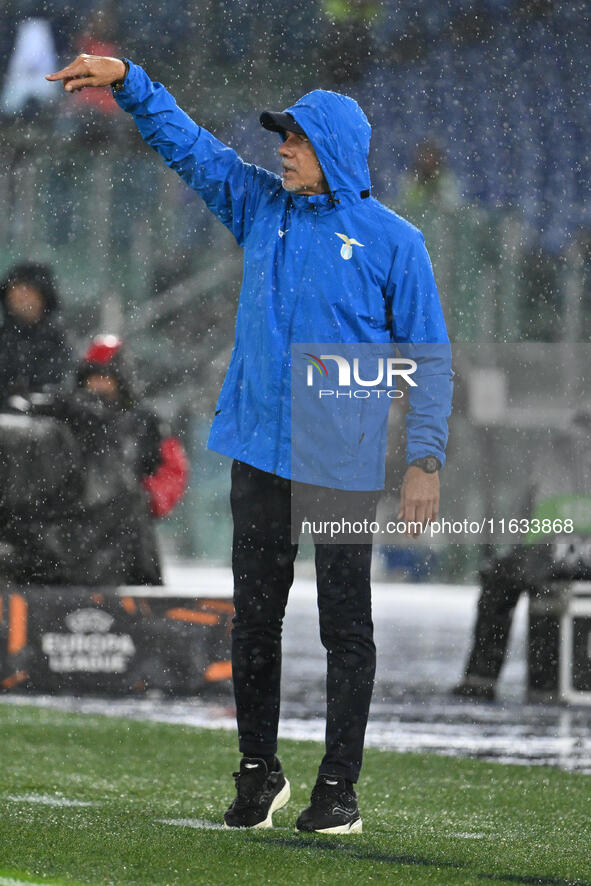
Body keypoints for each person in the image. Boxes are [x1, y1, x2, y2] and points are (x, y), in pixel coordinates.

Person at [46, 54, 453, 834]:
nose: (281, 149)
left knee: (345, 628)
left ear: (332, 149)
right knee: (255, 622)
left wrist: (423, 459)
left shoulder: (393, 242)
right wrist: (129, 79)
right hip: (259, 454)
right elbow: (191, 147)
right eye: (280, 137)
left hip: (341, 465)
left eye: (294, 139)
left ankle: (338, 788)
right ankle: (258, 773)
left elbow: (427, 360)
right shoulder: (261, 208)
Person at [0, 262, 73, 407]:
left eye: (28, 288)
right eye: (15, 288)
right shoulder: (3, 336)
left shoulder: (58, 340)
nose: (21, 295)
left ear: (43, 296)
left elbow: (62, 384)